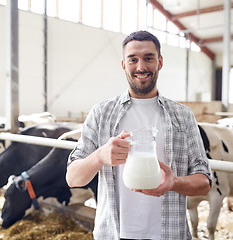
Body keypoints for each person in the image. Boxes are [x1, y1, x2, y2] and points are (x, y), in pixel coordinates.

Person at [66, 30, 212, 240]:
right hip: (114, 234)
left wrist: (174, 182)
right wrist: (100, 156)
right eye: (133, 59)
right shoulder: (102, 113)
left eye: (148, 58)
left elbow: (204, 182)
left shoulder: (183, 116)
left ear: (160, 62)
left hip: (169, 234)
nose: (141, 67)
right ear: (124, 65)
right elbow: (72, 178)